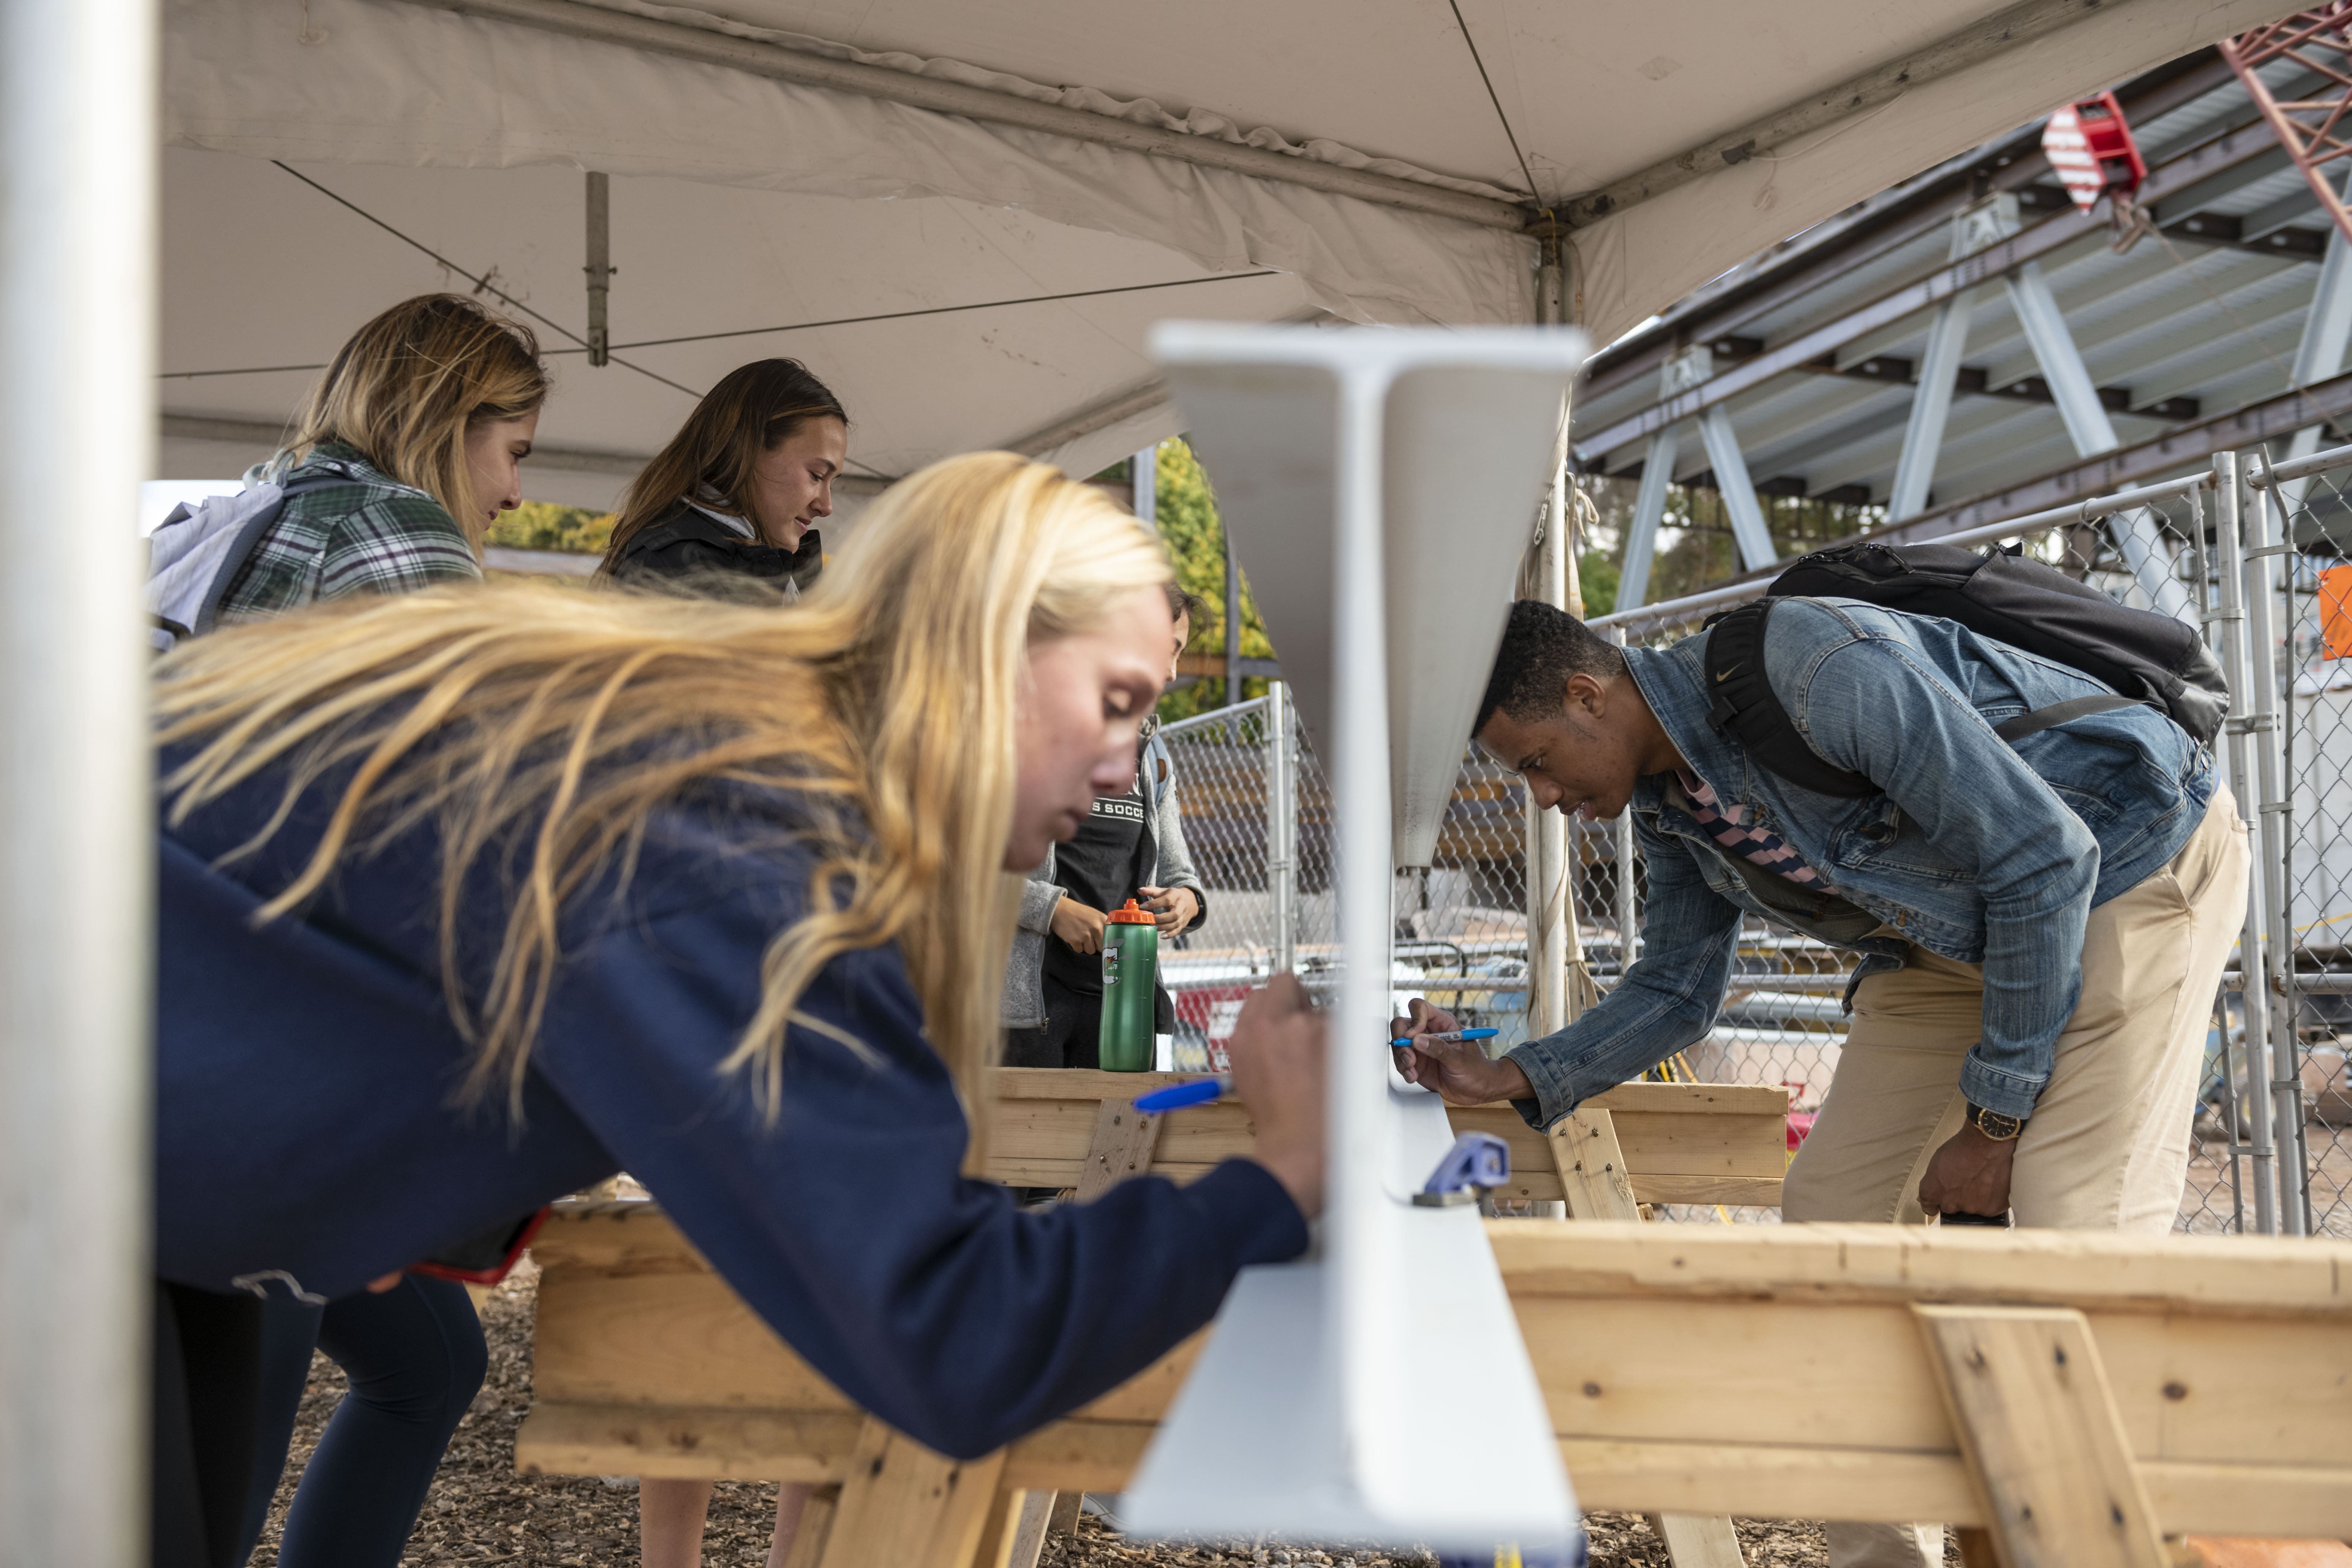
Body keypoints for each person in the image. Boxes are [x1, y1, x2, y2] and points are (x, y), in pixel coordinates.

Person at [150, 452, 1326, 1568]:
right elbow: (951, 1333)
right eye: (1116, 698)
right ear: (983, 647)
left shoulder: (745, 762)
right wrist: (1277, 1175)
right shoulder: (745, 840)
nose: (1126, 767)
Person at [1391, 597, 2246, 1568]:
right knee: (1836, 1215)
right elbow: (1676, 986)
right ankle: (1879, 1557)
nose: (1540, 795)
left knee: (2067, 1233)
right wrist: (1507, 1071)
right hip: (1954, 938)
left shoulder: (1814, 667)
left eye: (1535, 760)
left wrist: (1993, 1121)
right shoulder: (1671, 804)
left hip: (2124, 876)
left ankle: (2091, 1545)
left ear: (1587, 695)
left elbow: (2043, 857)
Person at [204, 291, 547, 1568]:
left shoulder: (257, 509)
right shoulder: (405, 535)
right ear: (451, 422)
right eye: (514, 449)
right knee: (217, 1459)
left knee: (429, 1361)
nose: (517, 489)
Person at [590, 358, 852, 1568]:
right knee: (718, 1277)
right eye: (815, 470)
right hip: (705, 965)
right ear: (746, 449)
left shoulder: (780, 577)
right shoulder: (671, 576)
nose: (824, 500)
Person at [218, 292, 544, 620]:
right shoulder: (402, 526)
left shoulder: (269, 510)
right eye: (514, 454)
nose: (514, 496)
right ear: (447, 427)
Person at [1004, 582, 1210, 1069]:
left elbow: (1181, 874)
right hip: (1022, 1018)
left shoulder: (1152, 757)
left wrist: (1187, 902)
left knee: (1121, 1147)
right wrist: (1052, 911)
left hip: (1122, 1014)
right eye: (1170, 650)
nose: (1172, 671)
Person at [599, 358, 847, 594]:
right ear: (748, 450)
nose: (826, 507)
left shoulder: (727, 562)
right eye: (817, 476)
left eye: (832, 484)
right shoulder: (678, 568)